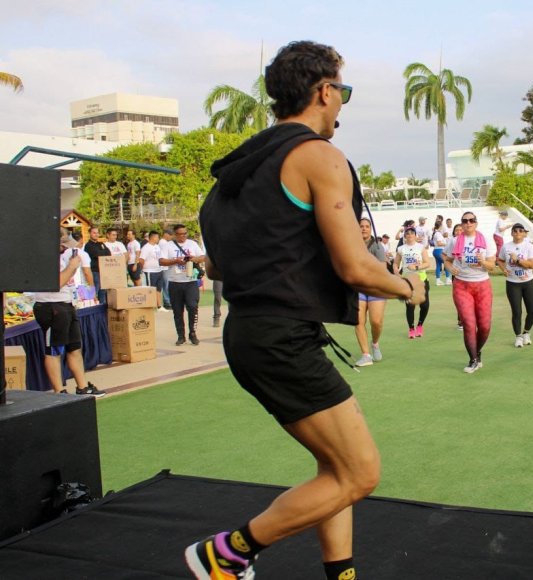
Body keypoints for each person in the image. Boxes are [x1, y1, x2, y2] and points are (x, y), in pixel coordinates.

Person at [194, 40, 425, 580]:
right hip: (280, 339)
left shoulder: (233, 174)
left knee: (335, 466)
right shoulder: (319, 156)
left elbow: (218, 268)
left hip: (252, 332)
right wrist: (408, 287)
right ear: (325, 91)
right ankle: (226, 554)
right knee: (360, 473)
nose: (341, 102)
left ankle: (340, 574)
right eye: (341, 90)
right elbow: (356, 268)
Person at [31, 233, 106, 397]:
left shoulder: (65, 256)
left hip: (66, 304)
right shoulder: (43, 258)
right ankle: (59, 391)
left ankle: (82, 387)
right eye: (64, 245)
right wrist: (71, 267)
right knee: (54, 351)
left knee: (75, 348)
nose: (68, 248)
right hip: (50, 306)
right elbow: (56, 283)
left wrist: (85, 292)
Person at [445, 210, 496, 373]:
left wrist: (483, 261)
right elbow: (446, 258)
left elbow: (492, 266)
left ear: (476, 222)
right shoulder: (454, 241)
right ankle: (473, 359)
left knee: (485, 326)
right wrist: (449, 267)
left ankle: (477, 351)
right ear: (461, 223)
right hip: (462, 285)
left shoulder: (486, 239)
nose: (468, 223)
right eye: (465, 221)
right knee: (468, 323)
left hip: (482, 285)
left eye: (471, 220)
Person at [159, 224, 205, 346]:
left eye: (185, 233)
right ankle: (181, 335)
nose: (183, 236)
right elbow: (161, 260)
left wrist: (194, 259)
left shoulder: (192, 244)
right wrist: (176, 260)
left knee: (193, 306)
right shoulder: (168, 246)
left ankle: (193, 333)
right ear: (175, 234)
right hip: (175, 282)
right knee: (177, 311)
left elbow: (203, 257)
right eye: (180, 234)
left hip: (190, 282)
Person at [354, 217, 388, 366]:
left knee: (376, 321)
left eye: (367, 226)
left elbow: (382, 268)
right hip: (357, 288)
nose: (364, 228)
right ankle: (366, 355)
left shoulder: (378, 246)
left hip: (376, 287)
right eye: (361, 226)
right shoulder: (351, 245)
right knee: (359, 321)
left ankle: (375, 343)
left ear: (370, 229)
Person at [497, 223, 533, 347]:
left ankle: (526, 332)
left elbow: (532, 265)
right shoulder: (506, 246)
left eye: (521, 230)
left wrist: (518, 260)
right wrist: (503, 269)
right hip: (513, 283)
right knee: (517, 311)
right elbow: (500, 260)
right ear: (512, 233)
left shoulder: (528, 246)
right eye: (515, 230)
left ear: (524, 233)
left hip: (528, 282)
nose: (518, 232)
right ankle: (518, 336)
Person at [395, 226, 431, 339]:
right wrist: (396, 271)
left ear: (415, 235)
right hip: (408, 281)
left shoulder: (421, 247)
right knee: (410, 306)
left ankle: (420, 325)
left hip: (421, 279)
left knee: (424, 305)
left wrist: (416, 267)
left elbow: (427, 263)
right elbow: (396, 263)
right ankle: (411, 328)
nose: (410, 235)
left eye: (412, 233)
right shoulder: (401, 249)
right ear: (405, 236)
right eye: (407, 233)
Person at [83, 226, 111, 304]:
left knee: (103, 292)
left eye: (97, 233)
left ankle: (102, 310)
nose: (96, 234)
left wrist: (102, 253)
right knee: (95, 292)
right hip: (94, 271)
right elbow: (97, 254)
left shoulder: (101, 244)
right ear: (90, 234)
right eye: (94, 233)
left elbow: (108, 253)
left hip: (103, 271)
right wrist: (102, 253)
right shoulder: (88, 245)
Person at [138, 231, 164, 307]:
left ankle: (159, 305)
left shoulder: (157, 246)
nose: (158, 239)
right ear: (153, 237)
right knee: (151, 289)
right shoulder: (146, 247)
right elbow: (141, 259)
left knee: (159, 289)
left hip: (159, 270)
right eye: (158, 237)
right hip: (150, 271)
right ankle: (150, 305)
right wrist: (142, 270)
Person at [431, 216, 451, 286]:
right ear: (440, 226)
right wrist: (446, 244)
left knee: (438, 265)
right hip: (439, 250)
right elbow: (439, 243)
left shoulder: (436, 233)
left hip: (436, 251)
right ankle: (448, 279)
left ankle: (438, 280)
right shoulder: (438, 234)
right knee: (447, 263)